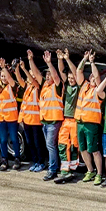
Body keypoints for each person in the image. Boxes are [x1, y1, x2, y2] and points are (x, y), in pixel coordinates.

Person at [73, 54, 105, 184]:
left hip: (91, 124)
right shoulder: (84, 86)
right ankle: (90, 170)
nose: (92, 77)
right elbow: (78, 71)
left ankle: (99, 173)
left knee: (94, 150)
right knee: (82, 149)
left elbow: (97, 77)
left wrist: (92, 63)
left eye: (94, 77)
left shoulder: (98, 91)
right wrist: (85, 58)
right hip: (80, 123)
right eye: (90, 76)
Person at [39, 52, 65, 181]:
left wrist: (49, 62)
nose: (48, 76)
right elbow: (37, 76)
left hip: (54, 121)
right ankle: (54, 166)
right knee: (50, 145)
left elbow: (56, 76)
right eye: (46, 74)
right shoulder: (44, 87)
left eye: (50, 74)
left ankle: (53, 169)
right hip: (45, 121)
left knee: (51, 145)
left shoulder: (57, 86)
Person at [0, 58, 22, 170]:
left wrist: (4, 68)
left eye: (5, 76)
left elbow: (10, 79)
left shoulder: (12, 86)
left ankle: (17, 158)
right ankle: (4, 159)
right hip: (1, 119)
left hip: (12, 118)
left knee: (14, 139)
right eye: (2, 76)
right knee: (3, 140)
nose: (4, 78)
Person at [18, 52, 46, 172]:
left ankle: (41, 162)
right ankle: (35, 161)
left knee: (37, 143)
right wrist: (17, 69)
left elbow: (32, 79)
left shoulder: (38, 87)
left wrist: (25, 68)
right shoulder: (28, 87)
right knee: (30, 143)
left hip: (35, 121)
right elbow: (20, 79)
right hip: (26, 120)